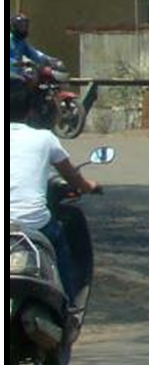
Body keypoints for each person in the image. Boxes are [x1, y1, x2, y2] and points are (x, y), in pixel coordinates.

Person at [9, 77, 101, 305]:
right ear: (30, 111)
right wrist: (89, 186)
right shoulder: (44, 139)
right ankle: (68, 306)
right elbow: (71, 176)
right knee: (62, 255)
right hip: (34, 225)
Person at [9, 11, 62, 77]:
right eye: (21, 26)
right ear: (13, 27)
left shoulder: (22, 42)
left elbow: (34, 54)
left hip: (17, 76)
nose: (23, 29)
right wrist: (16, 63)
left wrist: (49, 60)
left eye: (25, 26)